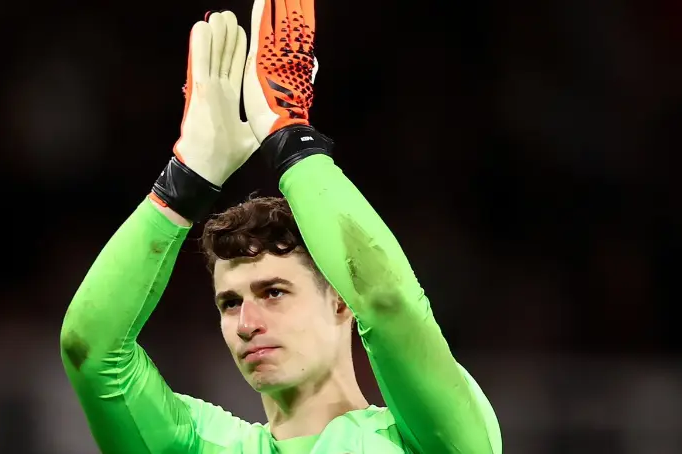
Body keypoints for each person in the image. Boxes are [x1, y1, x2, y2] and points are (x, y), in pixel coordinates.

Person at [59, 1, 502, 452]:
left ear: (341, 302)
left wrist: (291, 137)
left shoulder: (428, 441)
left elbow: (388, 302)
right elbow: (89, 350)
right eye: (230, 303)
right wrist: (183, 184)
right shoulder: (199, 445)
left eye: (273, 292)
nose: (246, 324)